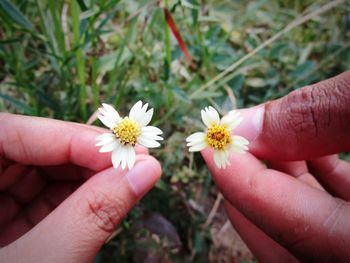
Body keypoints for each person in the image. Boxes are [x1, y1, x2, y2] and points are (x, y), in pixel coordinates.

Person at [0, 71, 349, 262]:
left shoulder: (216, 138)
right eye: (123, 129)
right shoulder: (124, 134)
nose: (213, 139)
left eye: (216, 138)